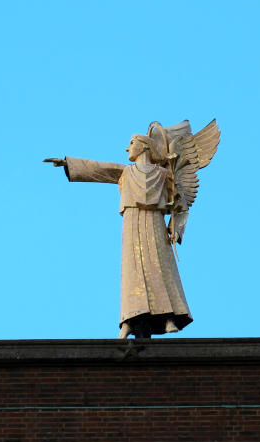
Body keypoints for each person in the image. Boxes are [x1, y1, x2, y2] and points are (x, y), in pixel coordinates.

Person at [46, 122, 192, 338]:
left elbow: (179, 203)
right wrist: (69, 163)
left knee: (160, 267)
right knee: (132, 273)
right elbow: (98, 169)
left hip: (154, 223)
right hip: (132, 223)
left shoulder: (163, 175)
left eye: (131, 143)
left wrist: (176, 228)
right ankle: (129, 320)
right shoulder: (125, 172)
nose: (127, 148)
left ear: (144, 146)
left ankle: (169, 316)